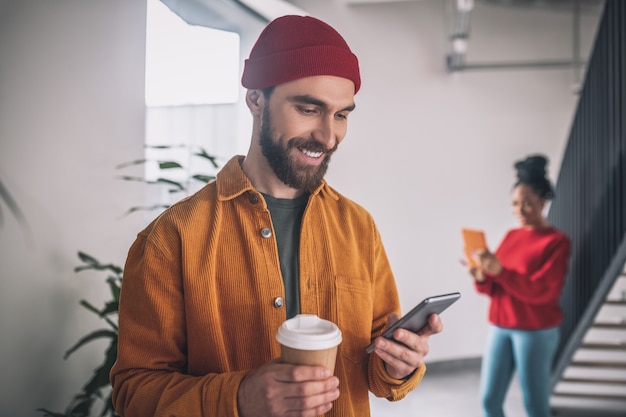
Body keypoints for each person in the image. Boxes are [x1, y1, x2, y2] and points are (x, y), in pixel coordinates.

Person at [110, 14, 443, 417]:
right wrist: (239, 398)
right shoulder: (171, 238)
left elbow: (373, 367)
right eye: (308, 109)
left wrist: (397, 365)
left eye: (341, 115)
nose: (328, 136)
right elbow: (134, 393)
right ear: (255, 99)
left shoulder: (359, 228)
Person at [465, 155, 571, 417]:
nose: (519, 210)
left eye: (527, 203)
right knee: (489, 401)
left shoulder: (557, 242)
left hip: (535, 331)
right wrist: (481, 276)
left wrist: (500, 270)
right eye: (514, 204)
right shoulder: (512, 236)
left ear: (543, 201)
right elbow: (494, 288)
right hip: (501, 326)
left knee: (535, 406)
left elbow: (544, 292)